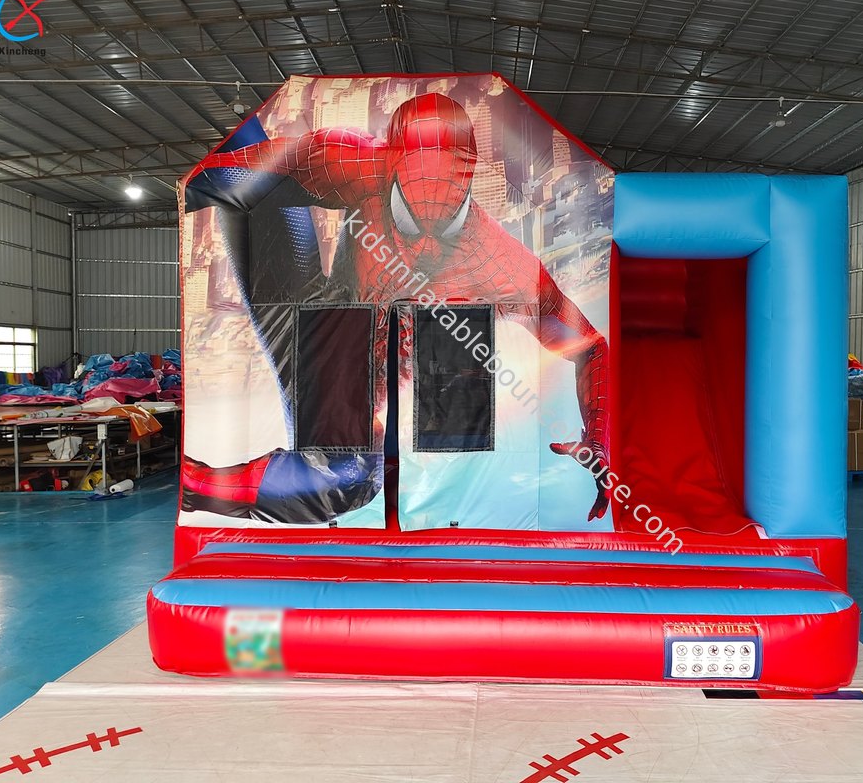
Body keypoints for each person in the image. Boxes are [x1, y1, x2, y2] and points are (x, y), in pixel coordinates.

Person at [183, 93, 610, 522]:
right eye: (407, 218)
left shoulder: (502, 267)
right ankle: (192, 485)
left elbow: (589, 347)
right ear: (389, 166)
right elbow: (225, 174)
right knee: (252, 178)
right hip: (324, 322)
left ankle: (193, 485)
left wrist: (597, 438)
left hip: (355, 374)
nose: (424, 247)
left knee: (347, 477)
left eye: (446, 224)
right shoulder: (348, 161)